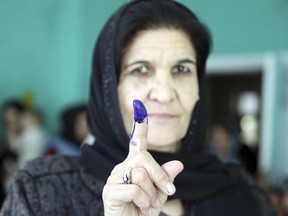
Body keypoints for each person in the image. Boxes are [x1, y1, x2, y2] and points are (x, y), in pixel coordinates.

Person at [0, 1, 276, 215]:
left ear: (198, 90)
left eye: (181, 69)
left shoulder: (244, 193)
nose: (165, 93)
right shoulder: (43, 191)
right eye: (141, 69)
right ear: (108, 90)